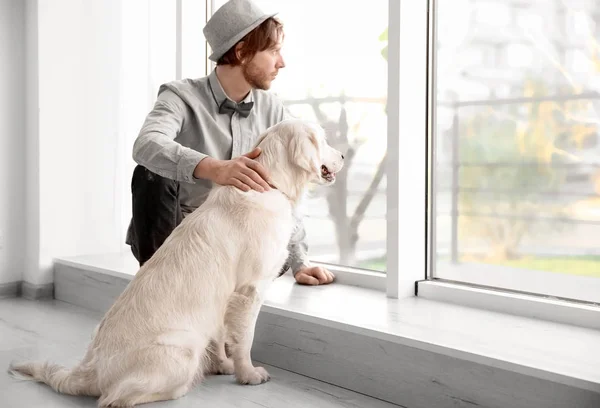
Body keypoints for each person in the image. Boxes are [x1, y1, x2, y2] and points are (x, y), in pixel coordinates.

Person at [125, 0, 334, 286]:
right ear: (241, 51)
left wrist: (300, 261)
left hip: (239, 246)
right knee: (150, 171)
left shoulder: (274, 111)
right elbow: (146, 143)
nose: (281, 62)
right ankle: (156, 282)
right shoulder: (181, 96)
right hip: (177, 242)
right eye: (273, 51)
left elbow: (288, 187)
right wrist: (213, 168)